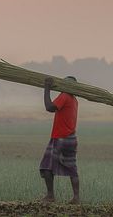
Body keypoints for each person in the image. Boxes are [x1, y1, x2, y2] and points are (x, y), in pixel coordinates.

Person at [39, 75, 79, 204]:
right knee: (72, 168)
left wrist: (47, 88)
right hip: (71, 138)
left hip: (60, 138)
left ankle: (50, 196)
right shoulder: (74, 99)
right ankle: (76, 198)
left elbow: (49, 107)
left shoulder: (65, 96)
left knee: (46, 167)